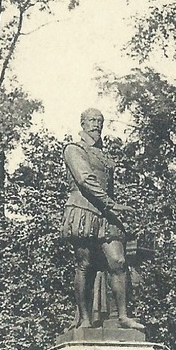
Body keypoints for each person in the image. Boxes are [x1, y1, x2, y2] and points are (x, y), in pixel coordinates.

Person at [61, 107, 144, 331]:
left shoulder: (103, 156)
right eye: (91, 120)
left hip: (106, 213)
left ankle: (123, 316)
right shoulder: (74, 149)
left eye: (100, 120)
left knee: (118, 261)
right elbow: (85, 180)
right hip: (83, 208)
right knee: (85, 264)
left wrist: (115, 211)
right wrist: (111, 204)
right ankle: (85, 318)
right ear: (83, 123)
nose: (96, 124)